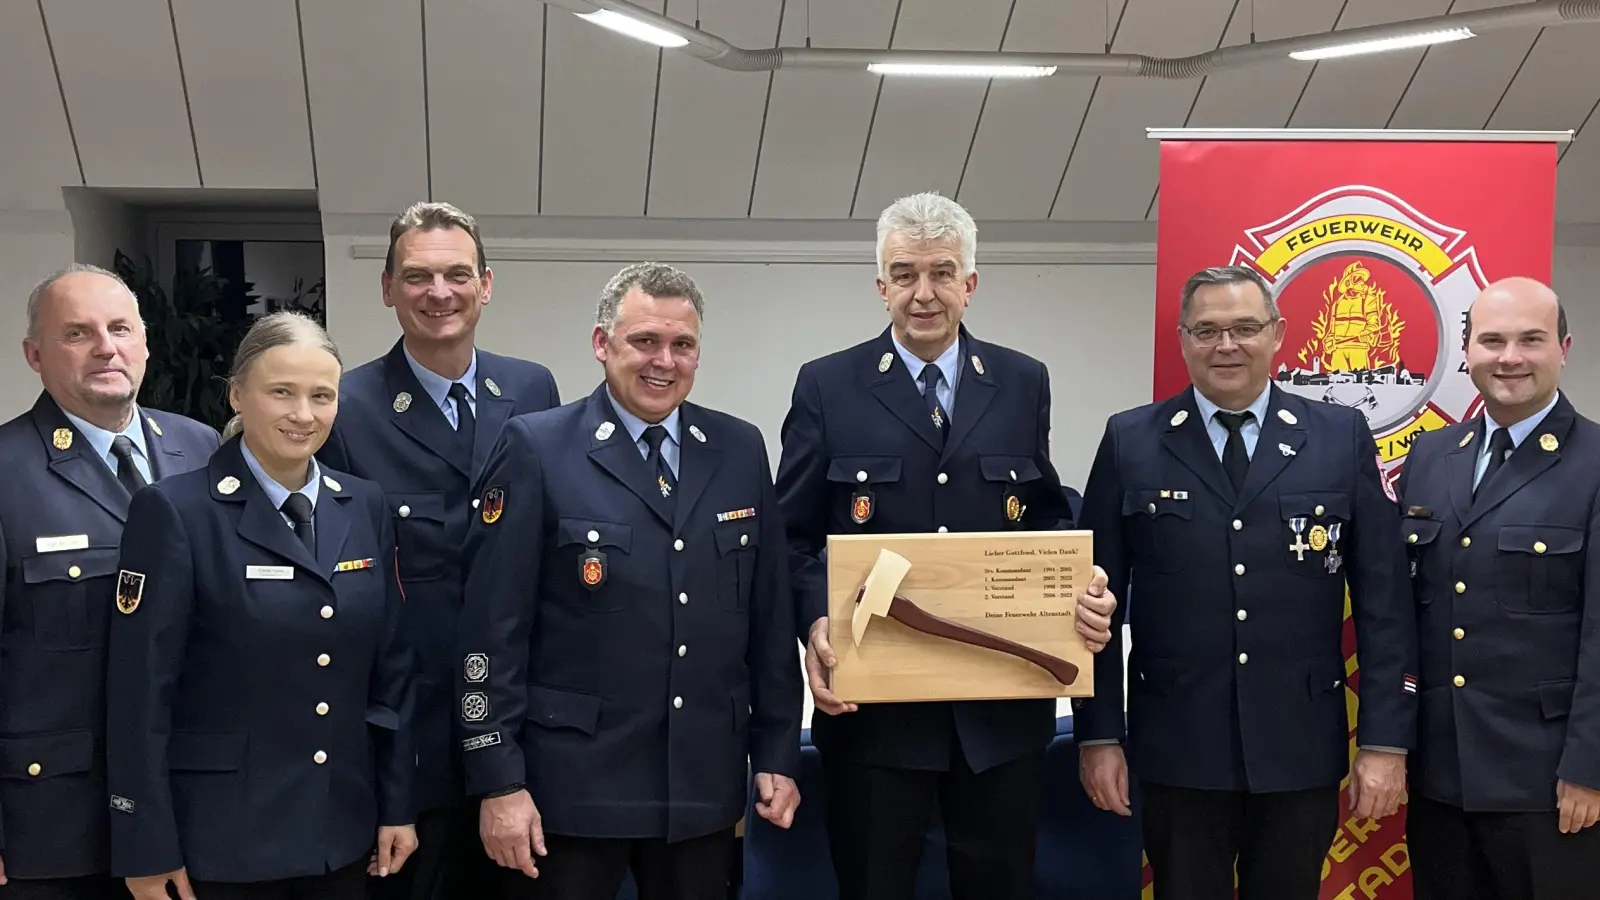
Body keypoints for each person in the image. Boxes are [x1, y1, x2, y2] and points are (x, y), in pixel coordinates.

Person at [774, 191, 1118, 900]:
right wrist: (814, 621)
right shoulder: (828, 386)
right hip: (876, 720)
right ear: (880, 285)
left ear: (970, 283)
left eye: (940, 272)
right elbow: (793, 536)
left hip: (998, 720)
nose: (922, 293)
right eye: (904, 274)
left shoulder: (1022, 382)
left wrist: (1081, 581)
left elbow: (1044, 516)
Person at [455, 262, 803, 900]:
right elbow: (491, 629)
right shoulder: (537, 446)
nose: (663, 361)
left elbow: (770, 617)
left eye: (682, 345)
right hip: (574, 789)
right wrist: (498, 781)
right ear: (601, 344)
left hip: (700, 783)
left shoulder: (739, 448)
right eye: (644, 341)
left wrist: (777, 748)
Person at [1074, 265, 1415, 900]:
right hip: (1176, 745)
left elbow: (1384, 604)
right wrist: (1098, 735)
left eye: (1244, 328)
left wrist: (1385, 740)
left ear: (1278, 334)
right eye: (1206, 330)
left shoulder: (1337, 438)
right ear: (1182, 339)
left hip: (1300, 745)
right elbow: (1093, 607)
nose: (1225, 345)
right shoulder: (1132, 440)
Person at [105, 312, 417, 900]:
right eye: (281, 392)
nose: (304, 415)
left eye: (322, 396)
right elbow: (140, 693)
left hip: (341, 836)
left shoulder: (364, 506)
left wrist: (397, 805)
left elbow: (391, 674)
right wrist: (146, 844)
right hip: (224, 843)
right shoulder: (176, 512)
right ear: (238, 394)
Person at [316, 201, 560, 900]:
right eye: (417, 276)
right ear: (387, 288)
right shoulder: (347, 406)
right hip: (409, 740)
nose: (439, 293)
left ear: (486, 285)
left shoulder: (532, 389)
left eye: (457, 274)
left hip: (517, 730)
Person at [0, 264, 219, 899]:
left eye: (120, 328)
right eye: (78, 332)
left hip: (192, 810)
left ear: (145, 343)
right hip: (56, 827)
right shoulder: (6, 473)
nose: (106, 347)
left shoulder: (201, 450)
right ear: (34, 356)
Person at [1396, 276, 1600, 900]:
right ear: (1467, 353)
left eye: (1530, 340)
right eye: (1492, 340)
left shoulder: (1594, 461)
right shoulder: (1431, 457)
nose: (1509, 356)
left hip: (1548, 781)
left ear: (1563, 347)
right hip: (1442, 776)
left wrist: (1589, 769)